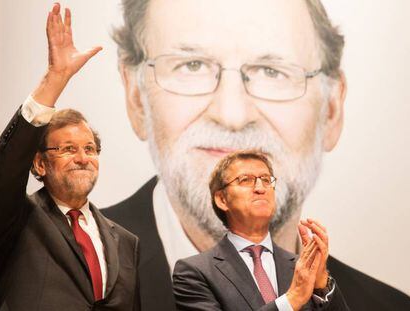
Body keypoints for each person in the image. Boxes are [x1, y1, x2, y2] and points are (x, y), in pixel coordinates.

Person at [102, 0, 410, 310]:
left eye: (271, 71)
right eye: (192, 65)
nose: (232, 115)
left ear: (331, 109)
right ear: (136, 97)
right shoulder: (75, 261)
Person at [0, 4, 140, 310]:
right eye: (67, 149)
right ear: (39, 163)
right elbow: (5, 170)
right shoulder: (16, 218)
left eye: (89, 149)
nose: (82, 157)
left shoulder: (126, 241)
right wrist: (56, 78)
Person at [173, 151, 349, 310]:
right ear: (221, 199)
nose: (260, 188)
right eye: (246, 180)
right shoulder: (194, 272)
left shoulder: (301, 267)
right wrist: (291, 299)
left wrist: (320, 282)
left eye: (266, 180)